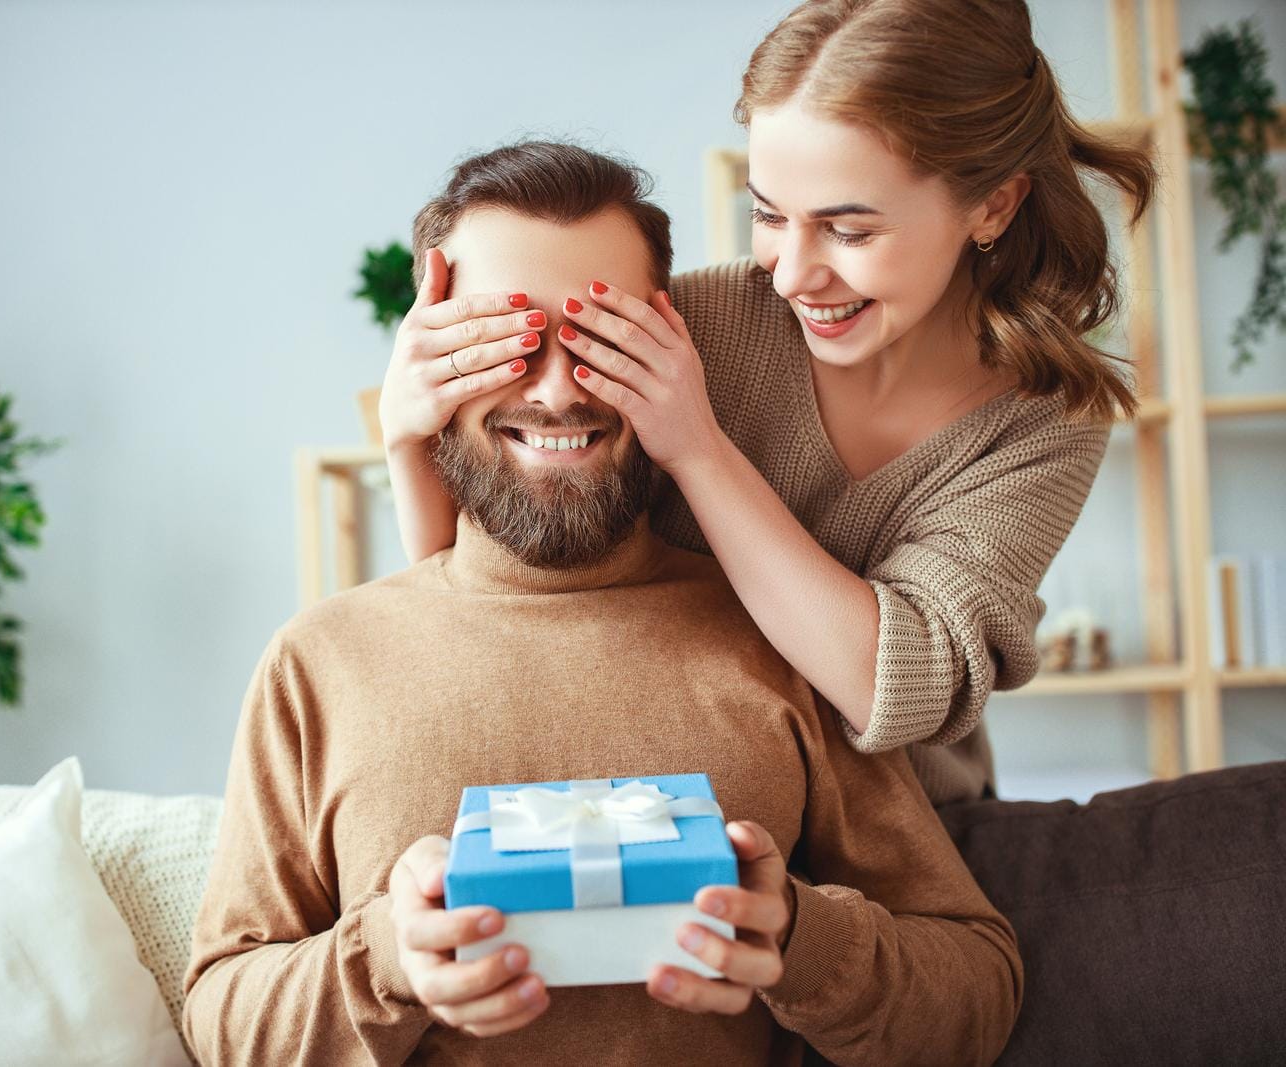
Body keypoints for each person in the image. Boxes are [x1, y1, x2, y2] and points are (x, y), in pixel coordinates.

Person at [182, 143, 1021, 1066]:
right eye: (502, 340)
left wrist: (797, 937)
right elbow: (222, 1018)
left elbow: (975, 991)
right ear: (431, 359)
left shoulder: (785, 640)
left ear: (671, 350)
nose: (553, 390)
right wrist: (388, 957)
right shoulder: (320, 663)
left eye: (599, 338)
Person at [379, 0, 1157, 806]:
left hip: (912, 830)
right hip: (685, 804)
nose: (791, 275)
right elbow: (492, 593)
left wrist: (700, 449)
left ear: (993, 204)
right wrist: (409, 440)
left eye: (848, 231)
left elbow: (904, 687)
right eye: (769, 215)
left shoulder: (1042, 418)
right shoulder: (693, 326)